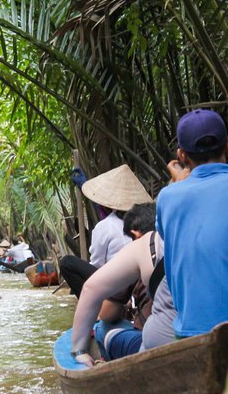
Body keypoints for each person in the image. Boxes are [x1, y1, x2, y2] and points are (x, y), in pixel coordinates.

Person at [156, 109, 228, 338]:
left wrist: (179, 182)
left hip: (192, 335)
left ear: (182, 155)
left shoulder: (168, 197)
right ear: (227, 146)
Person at [70, 229, 176, 367]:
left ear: (136, 234)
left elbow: (90, 290)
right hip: (206, 342)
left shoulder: (151, 243)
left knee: (103, 328)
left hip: (159, 349)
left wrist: (78, 351)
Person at [59, 164, 153, 298]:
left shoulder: (106, 226)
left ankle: (93, 307)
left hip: (118, 288)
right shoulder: (147, 219)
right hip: (140, 283)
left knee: (66, 263)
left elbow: (97, 265)